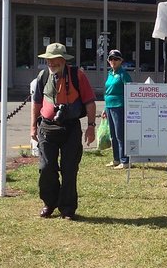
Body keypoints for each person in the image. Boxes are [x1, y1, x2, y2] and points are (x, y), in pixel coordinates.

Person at [30, 43, 96, 220]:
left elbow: (90, 102)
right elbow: (36, 103)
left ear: (63, 60)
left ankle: (67, 208)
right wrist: (33, 127)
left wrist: (91, 126)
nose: (51, 63)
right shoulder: (43, 76)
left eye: (54, 60)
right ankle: (49, 203)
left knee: (69, 169)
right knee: (46, 168)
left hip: (70, 128)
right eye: (48, 60)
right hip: (47, 127)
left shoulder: (77, 76)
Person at [101, 49, 132, 169]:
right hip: (109, 106)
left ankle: (125, 160)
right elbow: (108, 92)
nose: (113, 61)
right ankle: (116, 159)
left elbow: (130, 91)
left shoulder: (123, 74)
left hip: (120, 106)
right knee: (113, 135)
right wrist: (105, 108)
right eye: (111, 59)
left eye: (116, 59)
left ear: (121, 61)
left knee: (120, 134)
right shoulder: (110, 74)